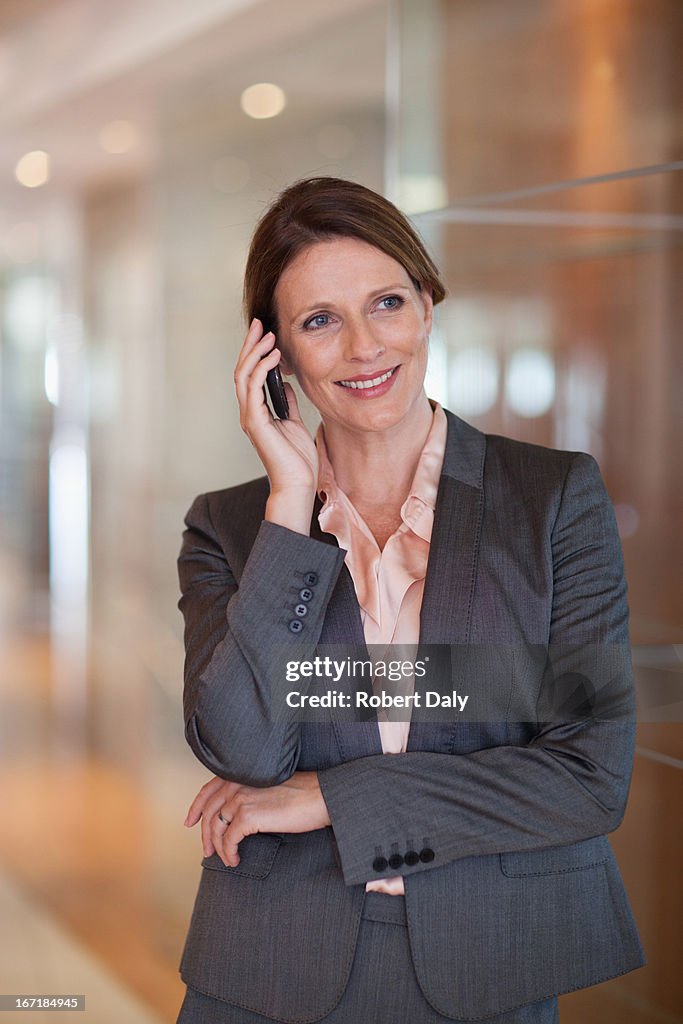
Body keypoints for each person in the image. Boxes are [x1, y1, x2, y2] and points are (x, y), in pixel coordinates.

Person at [174, 176, 645, 1024]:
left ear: (426, 306)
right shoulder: (233, 526)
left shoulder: (551, 501)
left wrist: (323, 797)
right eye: (319, 320)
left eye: (386, 302)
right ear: (272, 352)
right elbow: (243, 750)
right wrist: (289, 508)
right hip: (265, 969)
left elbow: (585, 777)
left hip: (487, 964)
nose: (363, 346)